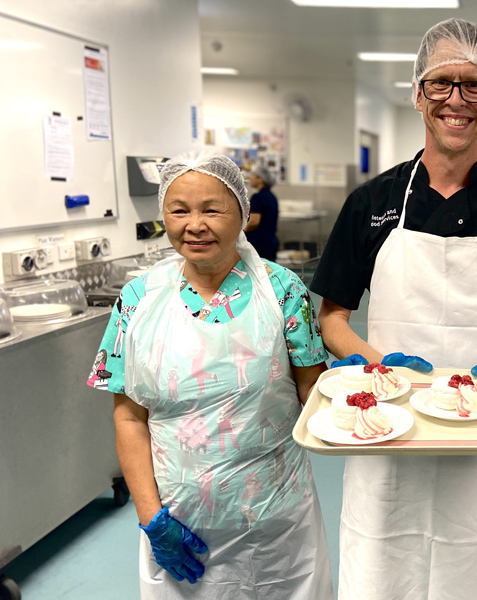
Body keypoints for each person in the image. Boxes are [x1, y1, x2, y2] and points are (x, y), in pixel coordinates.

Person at [309, 18, 477, 600]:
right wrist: (379, 365)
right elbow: (331, 319)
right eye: (441, 83)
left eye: (473, 85)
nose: (456, 100)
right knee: (382, 569)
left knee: (472, 571)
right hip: (386, 429)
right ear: (417, 93)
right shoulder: (371, 203)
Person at [88, 152, 334, 599]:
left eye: (212, 209)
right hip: (178, 523)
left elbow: (311, 396)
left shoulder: (283, 291)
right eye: (179, 210)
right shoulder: (138, 300)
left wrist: (349, 389)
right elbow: (129, 418)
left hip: (275, 521)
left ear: (242, 213)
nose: (194, 224)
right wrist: (151, 518)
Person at [245, 163, 280, 260]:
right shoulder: (272, 197)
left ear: (260, 178)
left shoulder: (258, 197)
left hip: (259, 243)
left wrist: (241, 232)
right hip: (271, 242)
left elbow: (254, 222)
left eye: (252, 174)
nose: (250, 177)